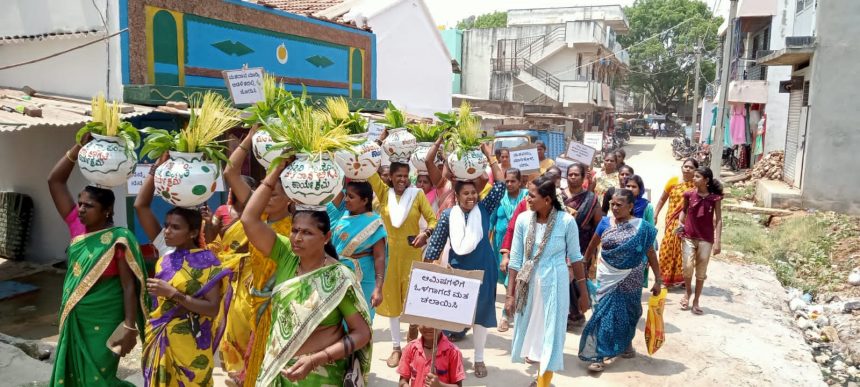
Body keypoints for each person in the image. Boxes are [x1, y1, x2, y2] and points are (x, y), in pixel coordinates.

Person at [243, 163, 373, 386]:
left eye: (307, 233)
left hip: (322, 376)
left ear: (326, 237)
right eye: (294, 230)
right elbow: (249, 219)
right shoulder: (286, 256)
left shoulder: (339, 276)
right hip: (279, 372)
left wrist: (316, 359)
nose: (297, 238)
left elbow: (361, 333)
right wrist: (276, 170)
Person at [47, 137, 148, 387]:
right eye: (80, 204)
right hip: (77, 313)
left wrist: (129, 325)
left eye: (88, 206)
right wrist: (79, 147)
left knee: (99, 376)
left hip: (106, 315)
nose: (80, 209)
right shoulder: (76, 226)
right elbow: (54, 181)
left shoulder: (119, 239)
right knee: (72, 372)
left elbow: (128, 286)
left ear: (107, 212)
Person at [135, 175, 231, 386]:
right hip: (160, 335)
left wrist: (173, 294)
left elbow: (212, 309)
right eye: (166, 225)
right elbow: (140, 206)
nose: (167, 231)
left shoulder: (208, 262)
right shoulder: (164, 259)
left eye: (175, 227)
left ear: (193, 232)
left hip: (191, 344)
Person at [218, 125, 295, 386]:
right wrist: (249, 139)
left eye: (276, 194)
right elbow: (231, 172)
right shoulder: (257, 217)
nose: (269, 197)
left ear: (290, 199)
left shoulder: (298, 229)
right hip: (253, 298)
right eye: (267, 192)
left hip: (282, 303)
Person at [424, 142, 504, 378]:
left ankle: (479, 359)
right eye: (465, 194)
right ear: (456, 197)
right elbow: (435, 246)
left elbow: (499, 185)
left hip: (484, 269)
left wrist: (490, 157)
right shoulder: (448, 215)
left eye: (473, 193)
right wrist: (426, 272)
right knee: (451, 318)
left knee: (481, 316)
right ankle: (450, 358)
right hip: (457, 271)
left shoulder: (485, 208)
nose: (470, 197)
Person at [505, 175, 588, 387]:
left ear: (548, 199)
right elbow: (515, 259)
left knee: (552, 331)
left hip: (556, 284)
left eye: (531, 196)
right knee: (532, 332)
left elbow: (577, 257)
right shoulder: (524, 220)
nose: (527, 199)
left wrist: (583, 293)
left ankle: (543, 381)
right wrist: (510, 295)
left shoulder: (566, 222)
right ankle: (540, 377)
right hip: (529, 285)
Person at [579, 189, 662, 372]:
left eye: (619, 205)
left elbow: (650, 253)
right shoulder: (604, 223)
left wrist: (658, 278)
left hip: (632, 278)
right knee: (604, 315)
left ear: (631, 206)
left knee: (630, 314)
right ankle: (599, 355)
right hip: (607, 276)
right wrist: (584, 263)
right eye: (612, 204)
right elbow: (593, 245)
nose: (614, 208)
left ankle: (625, 343)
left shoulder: (642, 227)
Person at [370, 158, 438, 368]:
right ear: (390, 177)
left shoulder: (416, 195)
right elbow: (370, 172)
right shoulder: (383, 194)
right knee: (391, 303)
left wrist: (425, 233)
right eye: (397, 175)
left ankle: (413, 339)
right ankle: (396, 348)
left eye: (405, 175)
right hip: (388, 257)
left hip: (411, 256)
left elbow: (433, 219)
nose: (402, 179)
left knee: (413, 300)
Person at [327, 181, 387, 321]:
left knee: (361, 319)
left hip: (364, 277)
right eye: (346, 195)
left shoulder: (374, 222)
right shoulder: (342, 215)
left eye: (351, 197)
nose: (346, 199)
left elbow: (379, 257)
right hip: (338, 272)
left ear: (365, 200)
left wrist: (378, 288)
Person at [560, 162, 603, 327]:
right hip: (560, 246)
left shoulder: (591, 199)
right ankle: (562, 313)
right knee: (562, 279)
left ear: (583, 177)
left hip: (582, 246)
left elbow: (598, 225)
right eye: (570, 174)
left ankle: (576, 314)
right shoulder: (559, 196)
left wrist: (591, 251)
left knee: (577, 279)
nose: (572, 177)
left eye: (576, 174)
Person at [677, 167, 723, 315]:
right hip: (689, 236)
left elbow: (719, 219)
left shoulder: (714, 198)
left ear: (706, 180)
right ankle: (688, 292)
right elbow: (683, 211)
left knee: (701, 271)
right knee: (688, 266)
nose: (694, 178)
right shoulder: (689, 194)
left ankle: (696, 300)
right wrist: (680, 224)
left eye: (697, 176)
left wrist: (718, 242)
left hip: (706, 239)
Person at [490, 167, 528, 332]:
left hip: (520, 244)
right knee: (506, 277)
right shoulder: (499, 197)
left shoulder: (527, 197)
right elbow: (491, 220)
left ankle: (506, 314)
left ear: (520, 182)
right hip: (500, 245)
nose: (510, 184)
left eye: (513, 181)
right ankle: (510, 310)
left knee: (513, 279)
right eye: (507, 181)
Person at [655, 158, 699, 288]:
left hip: (689, 223)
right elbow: (662, 199)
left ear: (695, 170)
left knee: (685, 250)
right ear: (682, 168)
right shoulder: (673, 182)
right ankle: (664, 278)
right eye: (685, 166)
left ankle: (683, 279)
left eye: (691, 167)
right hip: (671, 220)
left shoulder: (697, 186)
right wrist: (656, 214)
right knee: (667, 247)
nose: (687, 169)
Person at [397, 326, 466, 387]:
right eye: (424, 321)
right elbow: (402, 381)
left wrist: (439, 385)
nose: (428, 326)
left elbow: (458, 385)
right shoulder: (410, 348)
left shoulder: (453, 352)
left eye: (433, 322)